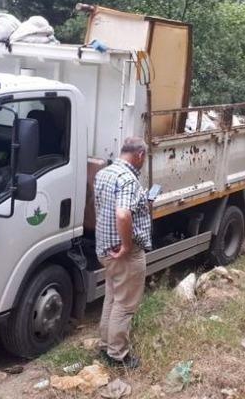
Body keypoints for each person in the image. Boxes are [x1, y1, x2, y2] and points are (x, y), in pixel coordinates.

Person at [94, 136, 152, 369]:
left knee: (113, 297)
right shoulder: (128, 180)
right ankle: (118, 355)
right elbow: (122, 214)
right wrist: (127, 245)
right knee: (126, 304)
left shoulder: (104, 173)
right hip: (123, 252)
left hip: (105, 248)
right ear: (140, 155)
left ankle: (106, 344)